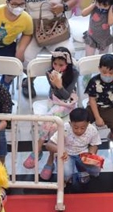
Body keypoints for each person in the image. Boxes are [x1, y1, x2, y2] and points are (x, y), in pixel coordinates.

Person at [23, 48, 78, 178]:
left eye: (61, 65)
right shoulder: (50, 72)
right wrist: (55, 84)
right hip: (53, 102)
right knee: (53, 126)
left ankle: (38, 149)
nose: (57, 67)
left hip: (67, 104)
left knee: (49, 119)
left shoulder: (74, 73)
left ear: (67, 64)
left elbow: (66, 95)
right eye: (55, 64)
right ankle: (49, 160)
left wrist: (58, 85)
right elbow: (54, 95)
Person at [18, 0, 76, 98]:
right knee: (25, 56)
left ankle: (60, 83)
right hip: (32, 30)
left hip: (56, 28)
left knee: (68, 53)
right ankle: (29, 81)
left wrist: (64, 7)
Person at [44, 108, 102, 185]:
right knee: (66, 174)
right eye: (76, 128)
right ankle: (68, 176)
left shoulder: (92, 129)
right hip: (66, 155)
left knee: (96, 169)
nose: (79, 131)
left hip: (83, 154)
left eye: (82, 128)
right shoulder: (64, 128)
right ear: (70, 123)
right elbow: (49, 145)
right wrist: (61, 151)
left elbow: (94, 144)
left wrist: (91, 154)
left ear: (88, 123)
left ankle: (81, 169)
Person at [84, 53, 113, 144]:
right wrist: (97, 117)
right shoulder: (94, 81)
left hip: (111, 106)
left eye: (111, 73)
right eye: (104, 72)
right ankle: (85, 138)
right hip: (94, 105)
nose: (107, 75)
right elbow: (92, 100)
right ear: (99, 69)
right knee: (83, 120)